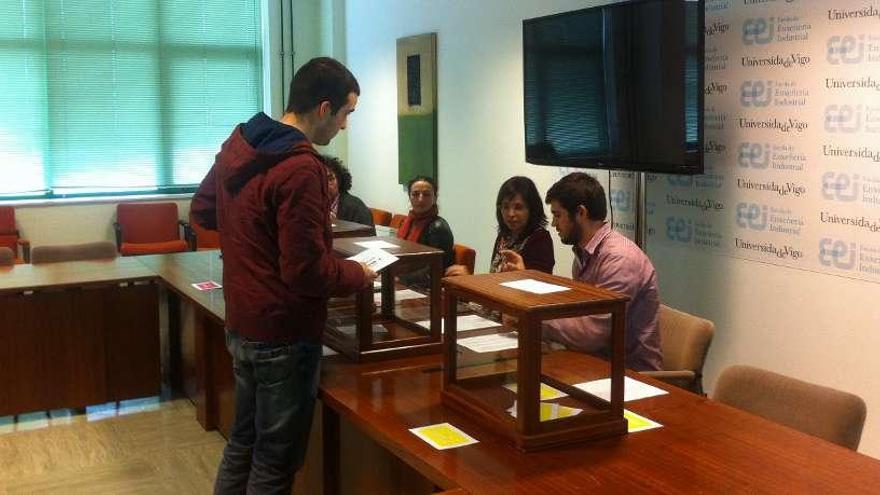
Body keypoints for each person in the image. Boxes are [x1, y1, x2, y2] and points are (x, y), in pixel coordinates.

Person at [191, 57, 377, 494]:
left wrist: (249, 232)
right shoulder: (302, 167)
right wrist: (358, 273)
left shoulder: (240, 144)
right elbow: (305, 271)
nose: (344, 127)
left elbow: (202, 209)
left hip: (242, 320)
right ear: (324, 108)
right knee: (274, 463)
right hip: (284, 334)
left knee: (242, 443)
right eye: (347, 114)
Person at [500, 172, 662, 371]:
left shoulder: (620, 260)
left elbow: (592, 334)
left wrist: (533, 319)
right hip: (594, 363)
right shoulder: (584, 255)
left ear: (581, 213)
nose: (553, 223)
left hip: (630, 376)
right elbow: (577, 314)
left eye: (558, 215)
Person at [446, 176, 553, 276]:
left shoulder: (541, 239)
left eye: (518, 207)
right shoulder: (504, 236)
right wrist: (469, 279)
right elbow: (494, 279)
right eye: (505, 207)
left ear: (532, 209)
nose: (511, 214)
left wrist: (522, 274)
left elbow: (539, 288)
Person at [397, 175, 454, 286]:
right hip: (403, 280)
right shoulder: (406, 222)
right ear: (409, 197)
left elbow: (436, 269)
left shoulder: (438, 228)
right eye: (415, 194)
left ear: (435, 198)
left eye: (426, 194)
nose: (421, 199)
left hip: (426, 287)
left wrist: (401, 279)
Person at [323, 154, 375, 231]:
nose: (326, 184)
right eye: (320, 179)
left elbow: (368, 237)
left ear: (339, 181)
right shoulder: (311, 205)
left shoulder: (356, 207)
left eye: (330, 179)